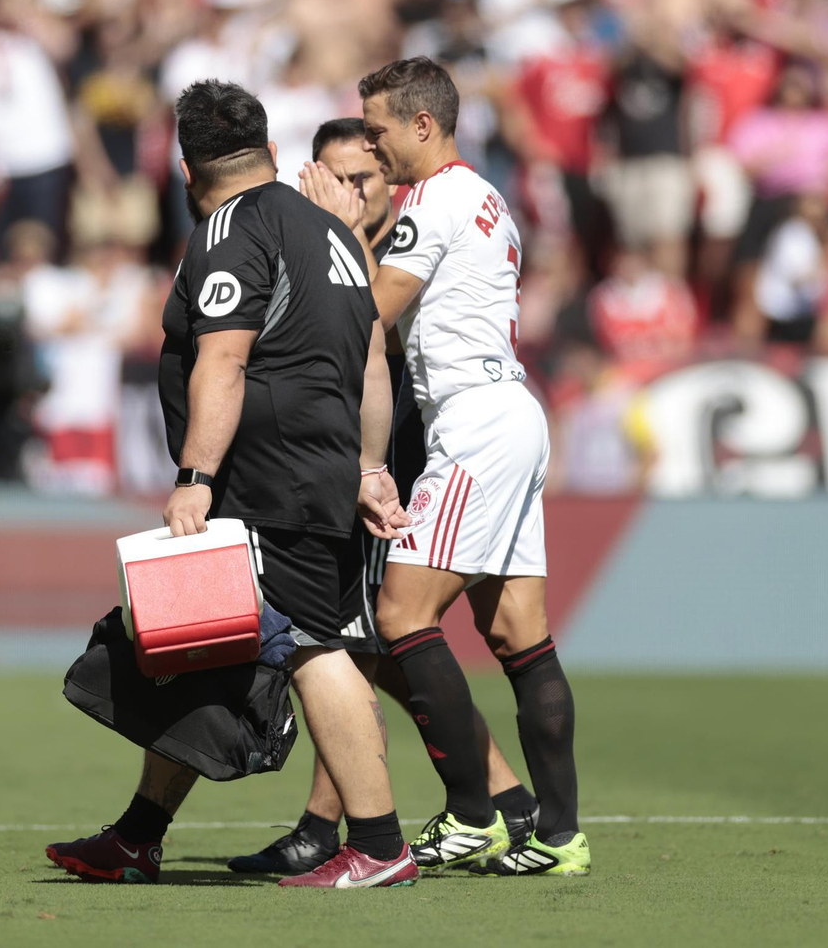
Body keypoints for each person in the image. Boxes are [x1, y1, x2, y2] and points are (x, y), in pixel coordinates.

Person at [46, 81, 418, 890]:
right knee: (201, 645)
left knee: (313, 646)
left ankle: (381, 845)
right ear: (274, 152)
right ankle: (139, 835)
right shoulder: (329, 230)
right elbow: (367, 361)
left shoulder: (229, 229)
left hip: (265, 474)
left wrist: (195, 476)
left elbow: (224, 358)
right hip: (317, 467)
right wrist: (365, 465)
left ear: (185, 169)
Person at [227, 117, 540, 875]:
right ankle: (504, 798)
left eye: (361, 178)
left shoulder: (404, 236)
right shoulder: (320, 239)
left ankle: (335, 825)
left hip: (405, 450)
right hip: (356, 453)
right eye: (332, 179)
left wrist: (341, 235)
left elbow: (371, 326)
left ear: (388, 179)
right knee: (374, 642)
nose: (349, 193)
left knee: (364, 637)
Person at [303, 56, 587, 877]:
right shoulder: (487, 197)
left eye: (379, 130)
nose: (372, 145)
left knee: (398, 616)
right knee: (516, 632)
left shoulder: (433, 199)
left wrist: (335, 229)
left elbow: (368, 313)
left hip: (473, 424)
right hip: (510, 409)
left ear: (422, 125)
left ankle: (473, 814)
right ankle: (559, 835)